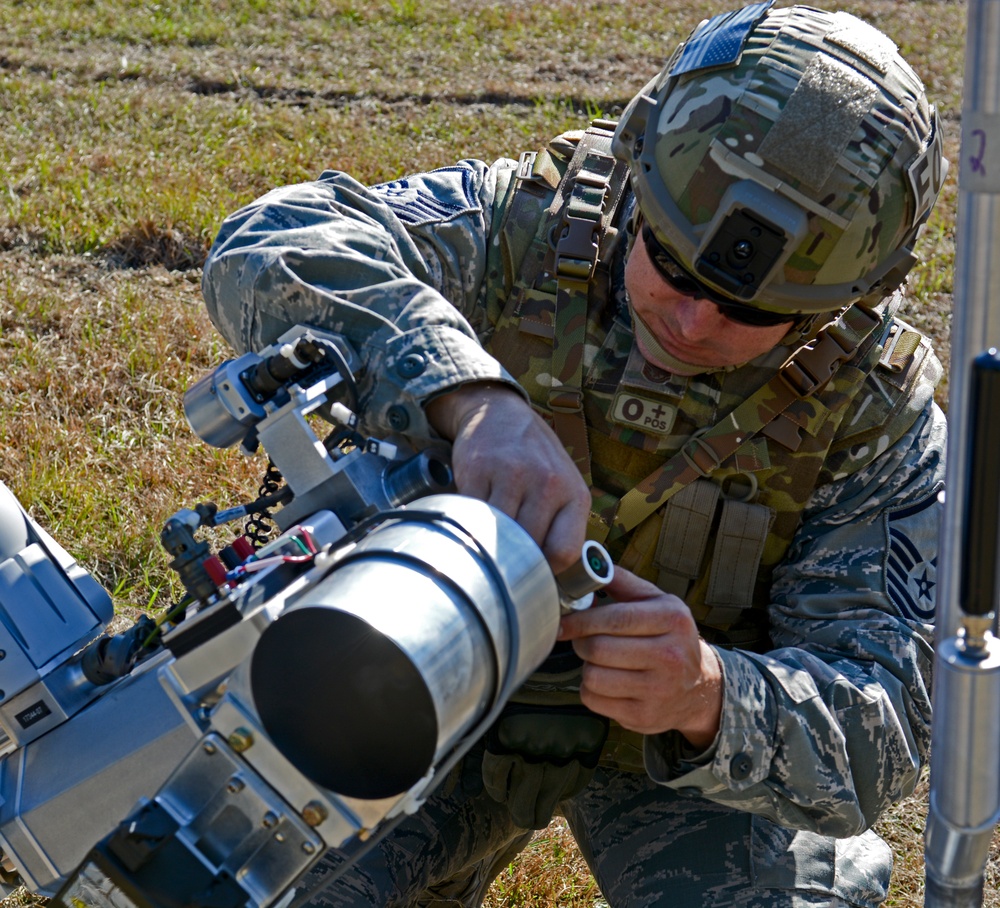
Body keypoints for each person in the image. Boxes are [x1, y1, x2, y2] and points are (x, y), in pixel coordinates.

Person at [201, 3, 948, 906]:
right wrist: (470, 397)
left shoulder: (872, 407)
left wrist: (709, 694)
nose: (690, 320)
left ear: (842, 305)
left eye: (751, 313)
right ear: (637, 179)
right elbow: (269, 244)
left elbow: (889, 731)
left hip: (681, 769)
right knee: (233, 878)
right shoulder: (531, 227)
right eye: (670, 264)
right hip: (422, 668)